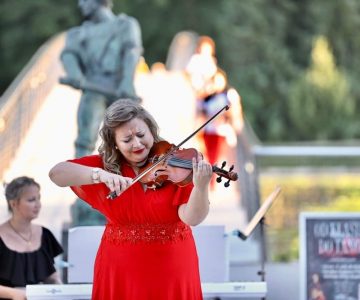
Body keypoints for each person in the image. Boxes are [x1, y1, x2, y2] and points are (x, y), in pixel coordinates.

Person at [49, 99, 213, 300]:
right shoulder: (106, 167)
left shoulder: (175, 167)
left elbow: (192, 218)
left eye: (142, 135)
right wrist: (99, 175)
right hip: (120, 270)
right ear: (115, 144)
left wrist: (202, 186)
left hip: (172, 269)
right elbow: (57, 173)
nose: (137, 144)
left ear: (151, 132)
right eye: (127, 140)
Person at [60, 0, 143, 158]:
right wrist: (75, 74)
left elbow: (131, 51)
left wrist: (126, 81)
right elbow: (68, 54)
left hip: (121, 89)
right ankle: (80, 179)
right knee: (85, 139)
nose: (80, 4)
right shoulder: (78, 33)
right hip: (94, 88)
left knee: (132, 138)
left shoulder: (125, 24)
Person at [0, 176, 63, 300]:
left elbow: (52, 278)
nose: (38, 204)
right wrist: (13, 294)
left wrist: (60, 289)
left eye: (39, 198)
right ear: (14, 204)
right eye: (31, 200)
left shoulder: (45, 234)